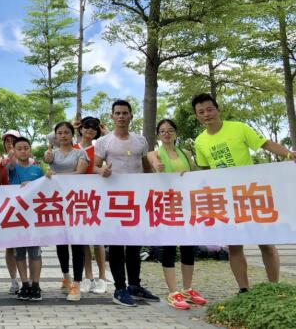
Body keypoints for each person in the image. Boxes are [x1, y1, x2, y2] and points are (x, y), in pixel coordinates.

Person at [191, 93, 296, 293]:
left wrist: (289, 154)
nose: (206, 114)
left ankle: (274, 287)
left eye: (209, 109)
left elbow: (265, 144)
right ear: (197, 116)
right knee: (234, 245)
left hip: (251, 193)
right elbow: (205, 170)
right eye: (201, 112)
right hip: (226, 198)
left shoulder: (239, 127)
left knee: (266, 242)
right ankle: (243, 289)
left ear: (217, 109)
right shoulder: (200, 141)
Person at [94, 100, 159, 307]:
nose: (121, 116)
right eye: (117, 113)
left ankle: (134, 285)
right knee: (116, 245)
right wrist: (101, 171)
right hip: (114, 200)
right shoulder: (103, 142)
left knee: (134, 245)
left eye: (124, 113)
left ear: (131, 116)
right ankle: (119, 289)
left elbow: (146, 168)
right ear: (112, 116)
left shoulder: (140, 140)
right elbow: (94, 167)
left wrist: (154, 186)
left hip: (137, 199)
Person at [146, 119, 207, 309]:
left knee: (188, 247)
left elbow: (195, 174)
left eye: (170, 130)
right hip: (167, 205)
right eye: (163, 131)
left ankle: (187, 289)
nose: (167, 133)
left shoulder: (186, 153)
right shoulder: (154, 153)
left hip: (186, 205)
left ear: (176, 133)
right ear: (158, 135)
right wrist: (157, 167)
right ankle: (173, 292)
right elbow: (153, 164)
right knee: (170, 248)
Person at [44, 121, 88, 301]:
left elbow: (80, 173)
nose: (63, 136)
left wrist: (57, 176)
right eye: (59, 133)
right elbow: (47, 170)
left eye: (66, 132)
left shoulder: (80, 152)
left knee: (77, 243)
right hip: (57, 203)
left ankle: (77, 284)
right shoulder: (51, 154)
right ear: (56, 136)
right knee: (61, 242)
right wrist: (48, 170)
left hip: (77, 202)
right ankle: (66, 276)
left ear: (72, 134)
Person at [8, 137, 45, 301]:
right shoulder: (10, 168)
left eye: (26, 148)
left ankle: (35, 285)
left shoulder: (38, 170)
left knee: (35, 252)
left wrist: (33, 185)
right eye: (19, 148)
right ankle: (24, 284)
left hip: (34, 216)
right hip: (16, 216)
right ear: (14, 151)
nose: (23, 151)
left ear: (30, 150)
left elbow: (45, 190)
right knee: (19, 252)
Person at [73, 117, 108, 295]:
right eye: (86, 126)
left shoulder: (99, 148)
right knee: (83, 239)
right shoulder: (72, 148)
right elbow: (53, 138)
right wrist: (71, 126)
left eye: (94, 127)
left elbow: (111, 155)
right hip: (76, 197)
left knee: (98, 239)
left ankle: (102, 278)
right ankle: (88, 277)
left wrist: (107, 132)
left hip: (96, 196)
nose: (90, 129)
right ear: (80, 128)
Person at [0, 130, 22, 294]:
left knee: (26, 246)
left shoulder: (30, 161)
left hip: (25, 208)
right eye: (7, 141)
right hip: (8, 207)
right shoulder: (1, 160)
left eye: (13, 140)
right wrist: (2, 165)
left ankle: (27, 280)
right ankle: (14, 281)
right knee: (10, 247)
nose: (10, 143)